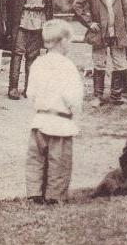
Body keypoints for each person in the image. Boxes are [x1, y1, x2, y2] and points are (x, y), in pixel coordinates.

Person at [26, 19, 84, 205]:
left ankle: (35, 193)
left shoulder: (37, 64)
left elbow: (31, 93)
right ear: (64, 41)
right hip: (60, 122)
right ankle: (54, 195)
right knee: (59, 161)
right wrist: (76, 116)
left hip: (40, 120)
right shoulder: (67, 67)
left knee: (36, 159)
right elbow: (73, 97)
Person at [73, 0, 127, 107]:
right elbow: (77, 6)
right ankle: (98, 96)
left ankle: (116, 96)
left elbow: (125, 11)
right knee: (99, 63)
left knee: (119, 63)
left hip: (117, 32)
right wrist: (89, 23)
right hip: (99, 33)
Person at [5, 0, 54, 100]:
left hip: (39, 18)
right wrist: (8, 20)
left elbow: (49, 0)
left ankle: (29, 88)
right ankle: (13, 88)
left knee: (33, 55)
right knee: (18, 53)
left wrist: (49, 21)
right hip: (22, 18)